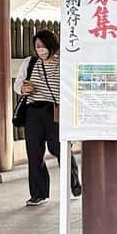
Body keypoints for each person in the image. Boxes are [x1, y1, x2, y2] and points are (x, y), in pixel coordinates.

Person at [14, 28, 81, 206]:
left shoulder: (63, 63)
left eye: (43, 46)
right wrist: (23, 88)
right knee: (34, 153)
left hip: (56, 111)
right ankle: (38, 194)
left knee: (58, 148)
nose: (40, 49)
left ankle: (73, 182)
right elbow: (18, 83)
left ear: (52, 46)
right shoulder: (30, 62)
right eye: (37, 46)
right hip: (33, 112)